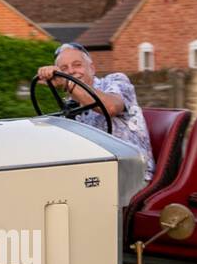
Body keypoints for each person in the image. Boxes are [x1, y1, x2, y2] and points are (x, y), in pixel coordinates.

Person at [37, 43, 154, 180]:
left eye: (77, 65)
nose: (71, 71)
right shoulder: (69, 106)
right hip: (94, 175)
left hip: (131, 174)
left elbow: (111, 108)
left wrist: (69, 83)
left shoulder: (115, 81)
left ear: (92, 68)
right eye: (64, 69)